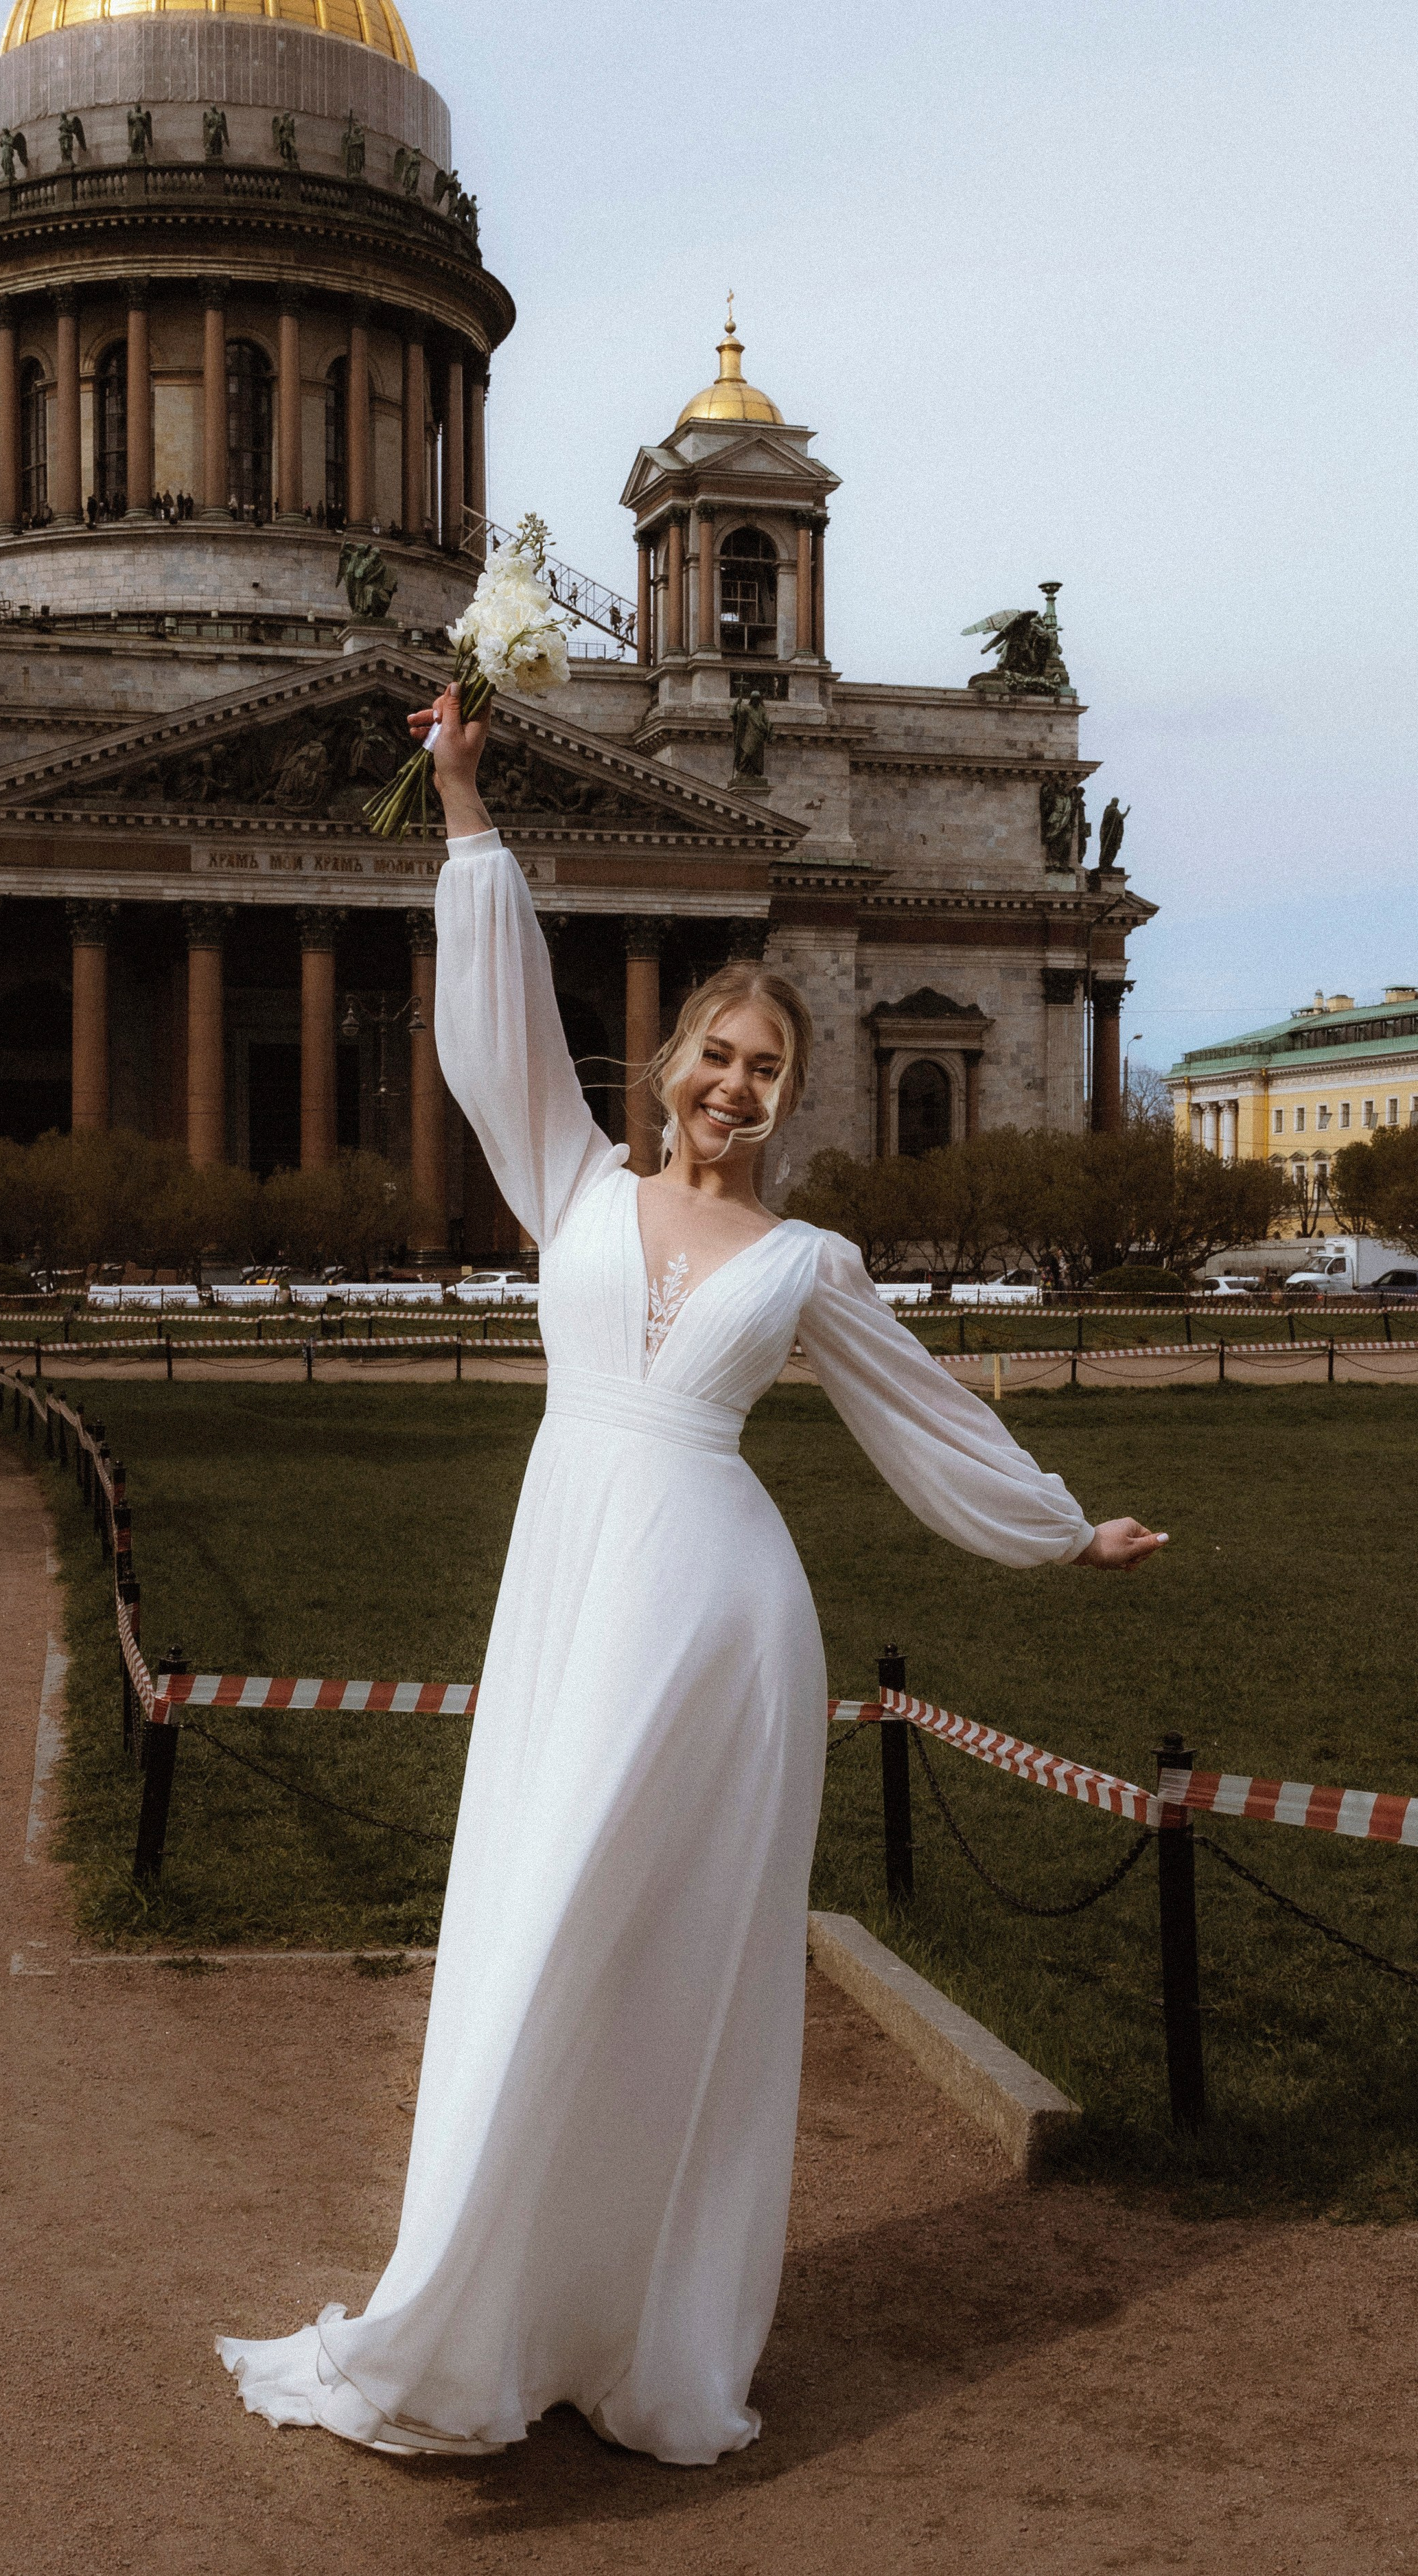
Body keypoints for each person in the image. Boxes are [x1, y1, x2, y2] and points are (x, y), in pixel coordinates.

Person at [218, 687, 1164, 2467]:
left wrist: (1059, 1526)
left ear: (792, 1102)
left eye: (767, 1071)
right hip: (573, 1579)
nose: (734, 1086)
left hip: (721, 1618)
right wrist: (469, 820)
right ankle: (475, 2312)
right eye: (714, 1056)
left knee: (661, 1971)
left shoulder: (810, 1255)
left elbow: (923, 1415)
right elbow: (491, 1034)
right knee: (532, 1929)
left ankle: (645, 2334)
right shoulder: (567, 1179)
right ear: (662, 1068)